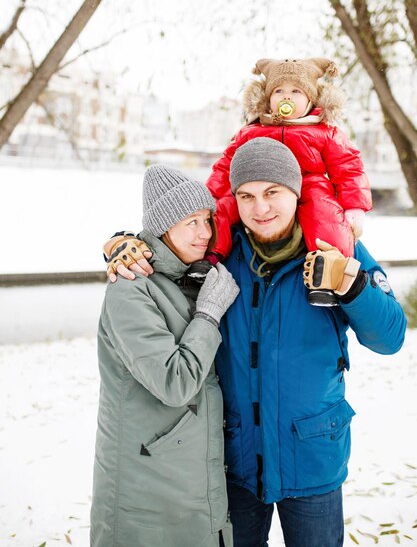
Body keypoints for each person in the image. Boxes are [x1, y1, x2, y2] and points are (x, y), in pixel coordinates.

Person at [105, 138, 406, 547]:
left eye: (272, 193)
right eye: (246, 196)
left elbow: (390, 337)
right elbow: (164, 246)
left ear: (295, 193)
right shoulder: (220, 252)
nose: (260, 208)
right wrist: (122, 245)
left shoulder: (334, 246)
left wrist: (353, 288)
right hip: (235, 461)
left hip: (312, 455)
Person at [91, 164, 239, 547]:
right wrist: (208, 315)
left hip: (187, 482)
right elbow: (175, 383)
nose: (205, 233)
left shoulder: (190, 277)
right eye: (191, 221)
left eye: (207, 220)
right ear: (163, 227)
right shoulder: (130, 290)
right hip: (148, 488)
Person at [206, 58, 372, 306]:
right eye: (279, 91)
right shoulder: (253, 130)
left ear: (311, 99)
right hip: (259, 182)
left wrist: (354, 207)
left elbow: (348, 168)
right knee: (224, 209)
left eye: (296, 91)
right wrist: (209, 196)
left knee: (324, 214)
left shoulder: (324, 131)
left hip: (308, 183)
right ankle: (208, 259)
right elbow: (227, 164)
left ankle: (328, 272)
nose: (287, 97)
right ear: (268, 97)